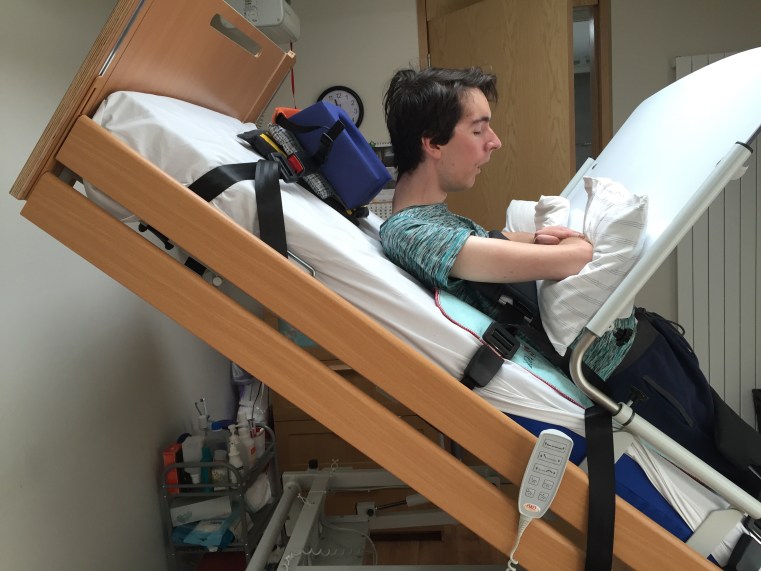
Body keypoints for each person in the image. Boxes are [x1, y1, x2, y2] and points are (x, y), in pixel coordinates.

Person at [379, 66, 593, 318]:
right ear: (434, 143)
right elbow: (578, 257)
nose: (495, 142)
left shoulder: (427, 221)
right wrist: (572, 242)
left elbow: (482, 239)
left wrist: (535, 239)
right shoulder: (411, 233)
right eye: (478, 131)